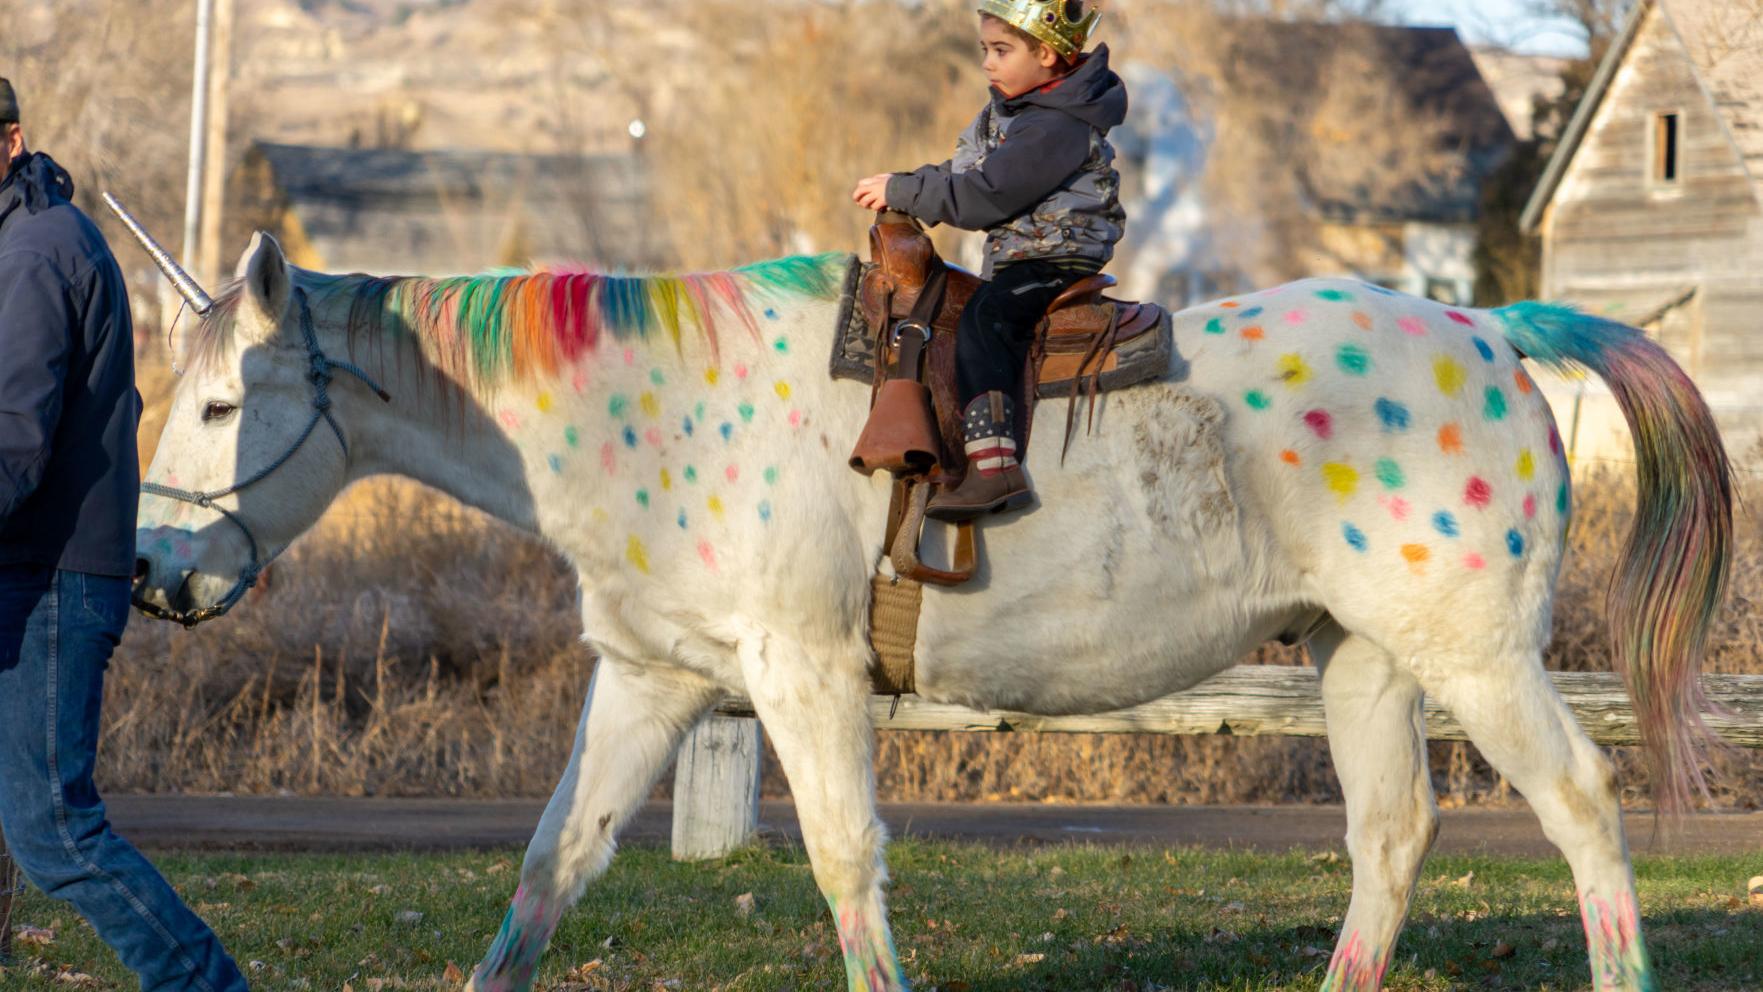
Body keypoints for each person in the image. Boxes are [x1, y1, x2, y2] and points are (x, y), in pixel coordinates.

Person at [0, 77, 249, 992]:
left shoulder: (34, 255)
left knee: (55, 831)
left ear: (11, 139)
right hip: (36, 567)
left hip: (49, 577)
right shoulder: (26, 241)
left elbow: (12, 444)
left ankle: (204, 985)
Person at [852, 0, 1127, 520]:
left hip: (1054, 256)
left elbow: (983, 197)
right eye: (985, 49)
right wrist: (904, 188)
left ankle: (994, 465)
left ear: (1046, 54)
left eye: (1001, 50)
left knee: (986, 321)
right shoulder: (1016, 112)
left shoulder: (1056, 126)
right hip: (1026, 252)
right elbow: (962, 172)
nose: (987, 62)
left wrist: (908, 191)